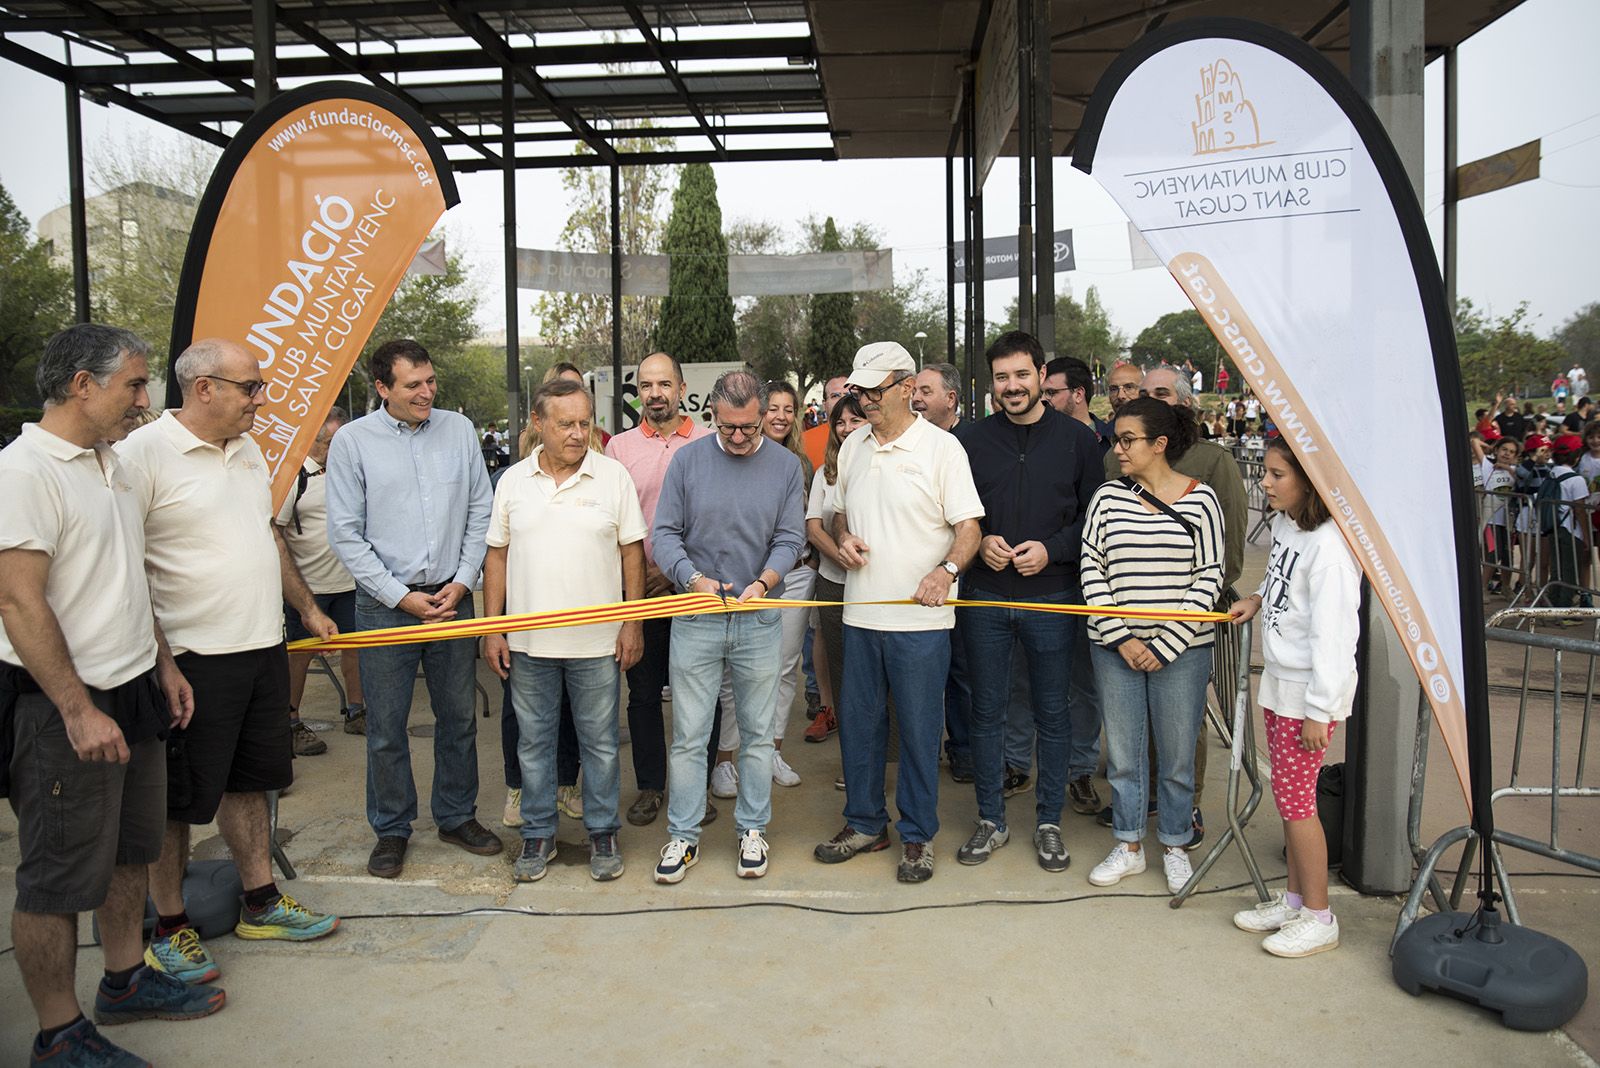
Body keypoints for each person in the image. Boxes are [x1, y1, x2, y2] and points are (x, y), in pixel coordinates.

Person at [1, 325, 225, 1066]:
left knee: (131, 852)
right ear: (80, 385)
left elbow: (126, 577)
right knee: (57, 876)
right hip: (63, 705)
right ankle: (58, 1034)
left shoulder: (113, 464)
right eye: (132, 385)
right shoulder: (24, 471)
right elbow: (19, 603)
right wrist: (75, 708)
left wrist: (162, 665)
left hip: (134, 691)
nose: (145, 399)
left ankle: (125, 982)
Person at [117, 338, 341, 984]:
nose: (261, 398)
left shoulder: (246, 449)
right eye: (250, 387)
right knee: (177, 800)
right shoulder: (143, 455)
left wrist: (304, 608)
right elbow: (127, 569)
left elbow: (265, 537)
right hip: (192, 659)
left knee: (252, 781)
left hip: (260, 646)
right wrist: (162, 663)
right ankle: (169, 925)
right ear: (204, 387)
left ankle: (261, 899)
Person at [326, 338, 500, 880]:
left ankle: (455, 816)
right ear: (382, 388)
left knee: (458, 718)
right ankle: (392, 829)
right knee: (385, 726)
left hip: (451, 601)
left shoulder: (458, 431)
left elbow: (480, 511)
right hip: (385, 605)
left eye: (430, 381)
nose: (427, 393)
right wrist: (400, 596)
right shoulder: (352, 443)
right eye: (412, 385)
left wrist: (464, 581)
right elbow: (346, 535)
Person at [814, 341, 983, 883]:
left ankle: (916, 835)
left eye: (873, 390)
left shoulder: (942, 450)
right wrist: (843, 540)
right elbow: (837, 516)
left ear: (909, 388)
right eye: (858, 390)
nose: (862, 400)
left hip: (920, 624)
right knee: (860, 728)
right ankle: (865, 823)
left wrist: (946, 573)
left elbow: (969, 530)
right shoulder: (855, 445)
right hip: (860, 616)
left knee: (917, 731)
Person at [482, 379, 646, 883]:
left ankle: (601, 831)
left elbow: (631, 552)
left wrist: (631, 621)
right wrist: (493, 629)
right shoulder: (512, 481)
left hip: (597, 643)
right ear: (538, 424)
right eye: (566, 424)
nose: (578, 435)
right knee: (533, 743)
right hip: (529, 644)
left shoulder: (613, 477)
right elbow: (497, 555)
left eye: (584, 423)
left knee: (599, 742)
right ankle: (538, 834)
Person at [650, 371, 806, 884]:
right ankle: (683, 835)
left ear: (763, 414)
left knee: (759, 736)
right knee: (691, 735)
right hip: (696, 615)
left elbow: (789, 538)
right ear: (712, 413)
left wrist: (765, 581)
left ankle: (752, 829)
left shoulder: (785, 466)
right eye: (728, 427)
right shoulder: (688, 460)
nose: (739, 437)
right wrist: (691, 578)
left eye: (749, 427)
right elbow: (665, 535)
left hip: (759, 614)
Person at [957, 331, 1102, 872]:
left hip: (1054, 595)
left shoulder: (1080, 441)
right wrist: (982, 540)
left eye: (1022, 375)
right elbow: (960, 513)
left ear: (1042, 376)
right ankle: (991, 820)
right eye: (1001, 378)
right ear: (990, 383)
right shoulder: (971, 440)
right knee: (987, 712)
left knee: (1053, 712)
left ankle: (1048, 823)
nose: (1012, 387)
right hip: (987, 598)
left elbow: (1094, 520)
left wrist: (1054, 549)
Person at [1081, 397, 1225, 895]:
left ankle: (1175, 843)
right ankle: (1129, 843)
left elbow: (1209, 576)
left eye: (1127, 440)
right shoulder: (1106, 498)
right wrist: (1121, 636)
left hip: (1182, 652)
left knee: (1178, 753)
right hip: (1114, 647)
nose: (1118, 449)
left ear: (1159, 444)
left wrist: (1165, 643)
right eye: (1116, 439)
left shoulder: (1202, 500)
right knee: (1123, 753)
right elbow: (1091, 567)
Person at [1103, 363, 1249, 847]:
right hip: (1124, 627)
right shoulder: (1116, 463)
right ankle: (1137, 808)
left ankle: (1185, 810)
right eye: (1143, 393)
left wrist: (1183, 619)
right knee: (1129, 732)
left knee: (1183, 730)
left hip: (1186, 622)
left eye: (1160, 393)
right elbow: (1099, 549)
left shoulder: (1211, 462)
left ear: (1183, 401)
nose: (1149, 399)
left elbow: (1223, 557)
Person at [1229, 438, 1360, 957]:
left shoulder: (1331, 548)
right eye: (1266, 471)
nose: (1265, 481)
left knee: (1301, 804)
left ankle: (1320, 915)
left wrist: (1321, 710)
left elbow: (1335, 636)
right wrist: (1258, 599)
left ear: (1309, 482)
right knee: (1288, 798)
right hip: (1281, 683)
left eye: (1277, 474)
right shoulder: (1288, 526)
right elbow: (1283, 585)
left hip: (1309, 694)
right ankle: (1294, 900)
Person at [604, 351, 716, 828]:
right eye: (646, 385)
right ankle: (651, 787)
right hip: (640, 594)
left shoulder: (711, 442)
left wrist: (674, 572)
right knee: (643, 695)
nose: (654, 394)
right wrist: (638, 580)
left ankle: (699, 790)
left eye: (663, 384)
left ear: (681, 386)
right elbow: (611, 522)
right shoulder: (619, 449)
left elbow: (715, 520)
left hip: (694, 591)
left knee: (699, 696)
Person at [711, 381, 815, 793]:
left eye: (789, 409)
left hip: (796, 574)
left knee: (785, 667)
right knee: (733, 672)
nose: (780, 416)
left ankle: (771, 749)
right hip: (740, 580)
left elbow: (801, 529)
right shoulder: (729, 456)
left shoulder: (802, 465)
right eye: (772, 408)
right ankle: (725, 759)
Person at [275, 406, 365, 754]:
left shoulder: (349, 472)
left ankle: (357, 711)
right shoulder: (294, 476)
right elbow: (276, 532)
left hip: (350, 582)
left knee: (357, 648)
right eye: (334, 441)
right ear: (318, 440)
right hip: (308, 590)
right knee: (299, 654)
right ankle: (291, 721)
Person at [804, 395, 868, 746]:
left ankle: (883, 752)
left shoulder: (878, 467)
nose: (846, 429)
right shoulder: (823, 475)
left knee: (872, 674)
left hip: (875, 586)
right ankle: (853, 754)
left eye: (854, 421)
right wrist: (840, 554)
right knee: (841, 668)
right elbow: (813, 527)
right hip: (833, 582)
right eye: (840, 423)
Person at [1543, 434, 1591, 610]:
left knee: (1557, 569)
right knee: (1570, 571)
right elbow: (1580, 510)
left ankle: (1552, 604)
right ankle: (1564, 610)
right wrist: (1586, 536)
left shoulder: (1552, 473)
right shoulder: (1576, 480)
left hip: (1553, 527)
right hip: (1571, 530)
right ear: (1577, 456)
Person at [1043, 355, 1112, 454]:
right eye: (1041, 393)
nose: (1042, 400)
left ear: (1078, 394)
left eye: (1050, 392)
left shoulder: (1111, 441)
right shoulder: (1036, 441)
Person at [802, 374, 850, 471]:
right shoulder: (803, 441)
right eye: (835, 396)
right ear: (824, 404)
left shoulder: (870, 435)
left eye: (848, 395)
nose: (842, 400)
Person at [911, 362, 962, 432]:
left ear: (950, 399)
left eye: (925, 392)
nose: (915, 398)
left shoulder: (974, 439)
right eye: (913, 393)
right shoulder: (909, 437)